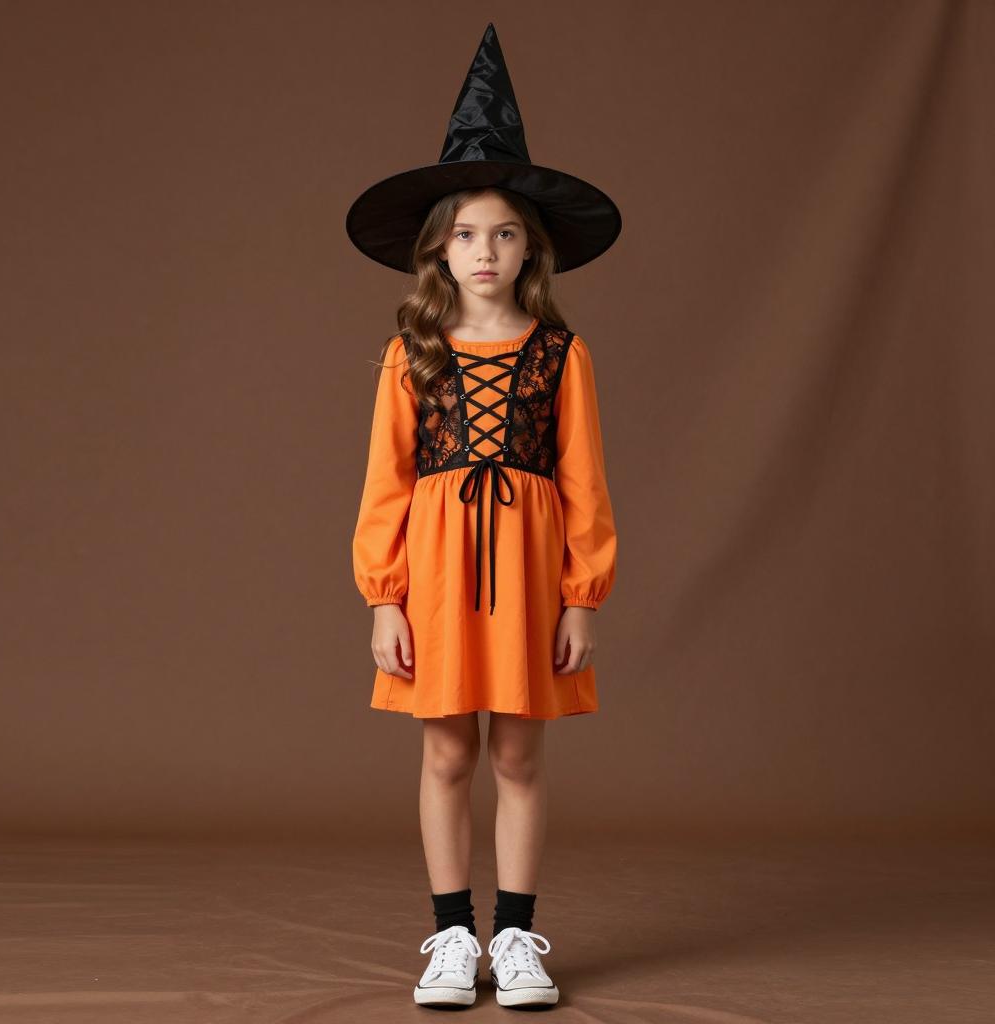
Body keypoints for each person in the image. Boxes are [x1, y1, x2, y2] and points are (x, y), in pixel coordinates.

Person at [346, 22, 621, 1009]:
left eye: (504, 233)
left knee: (517, 753)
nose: (484, 250)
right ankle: (451, 937)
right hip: (435, 576)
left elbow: (585, 483)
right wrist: (384, 596)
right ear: (437, 247)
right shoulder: (411, 353)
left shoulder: (561, 355)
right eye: (465, 233)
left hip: (531, 578)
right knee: (447, 750)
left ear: (531, 246)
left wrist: (582, 596)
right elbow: (385, 483)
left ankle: (516, 937)